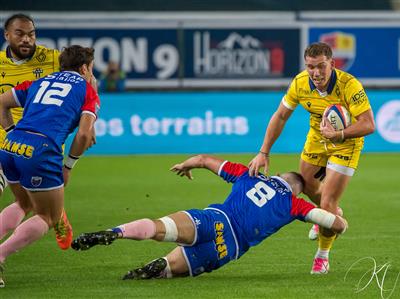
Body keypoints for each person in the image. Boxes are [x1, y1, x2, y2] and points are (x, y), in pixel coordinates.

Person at [71, 154, 348, 280]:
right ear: (298, 191)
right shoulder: (295, 206)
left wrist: (186, 165)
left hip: (213, 220)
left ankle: (116, 232)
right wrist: (335, 219)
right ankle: (157, 268)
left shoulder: (248, 174)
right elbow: (336, 224)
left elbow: (204, 159)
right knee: (167, 270)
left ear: (276, 177)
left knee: (159, 227)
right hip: (227, 247)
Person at [248, 42, 375, 274]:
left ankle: (322, 255)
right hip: (317, 139)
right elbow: (280, 115)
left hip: (345, 144)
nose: (315, 73)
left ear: (332, 64)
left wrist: (339, 134)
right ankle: (329, 216)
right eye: (310, 67)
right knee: (307, 185)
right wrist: (263, 151)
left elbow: (369, 124)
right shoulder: (300, 83)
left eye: (321, 67)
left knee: (327, 203)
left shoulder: (349, 85)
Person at [0, 45, 100, 287]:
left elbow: (1, 103)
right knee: (48, 216)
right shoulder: (87, 90)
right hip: (41, 151)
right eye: (92, 69)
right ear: (85, 67)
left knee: (23, 203)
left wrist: (12, 133)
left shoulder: (41, 81)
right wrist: (68, 166)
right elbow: (84, 136)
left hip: (11, 145)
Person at [0, 13, 73, 251]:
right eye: (20, 34)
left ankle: (55, 213)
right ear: (7, 35)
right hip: (7, 144)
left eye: (31, 34)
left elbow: (82, 78)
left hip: (43, 148)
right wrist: (11, 132)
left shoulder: (52, 59)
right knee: (27, 203)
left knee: (29, 204)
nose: (26, 40)